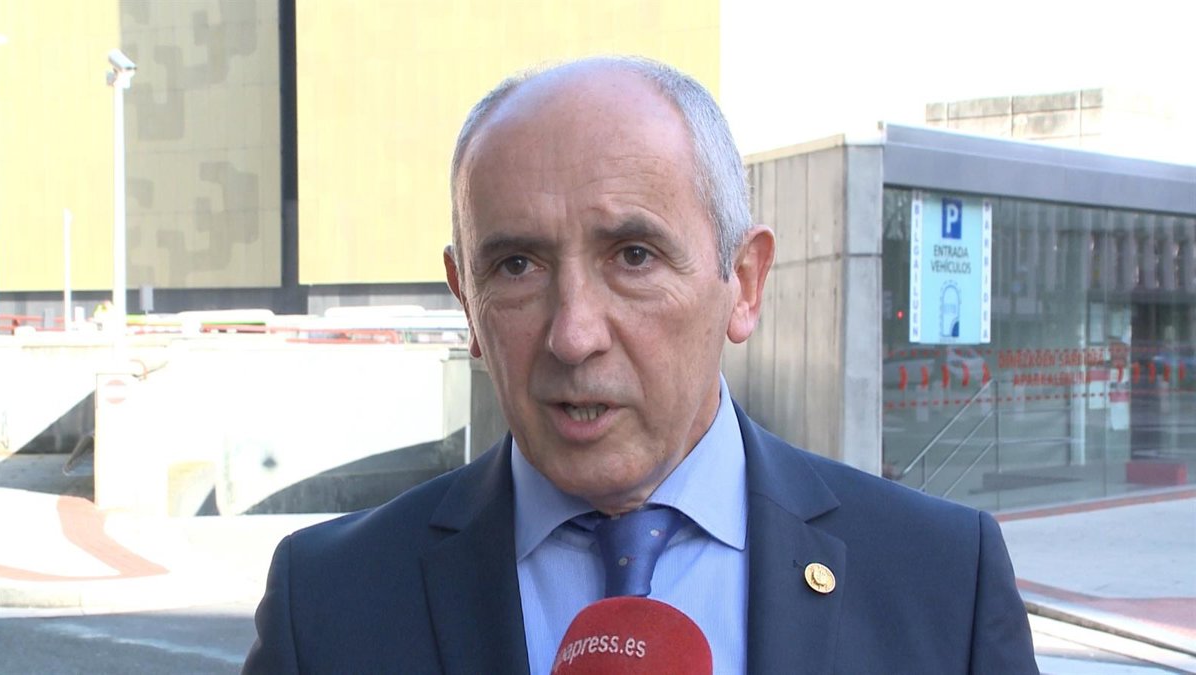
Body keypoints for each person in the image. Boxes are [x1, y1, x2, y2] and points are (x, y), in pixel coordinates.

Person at [244, 56, 1038, 674]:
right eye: (517, 265)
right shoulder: (328, 602)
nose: (574, 334)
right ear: (467, 301)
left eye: (633, 255)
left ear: (744, 282)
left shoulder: (942, 578)